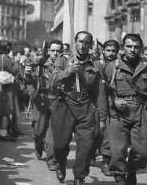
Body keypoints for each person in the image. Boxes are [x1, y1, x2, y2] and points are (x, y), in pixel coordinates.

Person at [100, 34, 147, 185]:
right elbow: (103, 93)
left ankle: (131, 168)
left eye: (136, 47)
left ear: (141, 48)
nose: (132, 50)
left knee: (144, 152)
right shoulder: (111, 66)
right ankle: (119, 175)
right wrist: (112, 104)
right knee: (117, 150)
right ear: (123, 48)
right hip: (118, 113)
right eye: (129, 46)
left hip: (142, 112)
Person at [49, 31, 105, 185]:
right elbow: (51, 82)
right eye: (80, 42)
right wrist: (68, 71)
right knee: (60, 144)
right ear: (75, 42)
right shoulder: (64, 59)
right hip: (66, 105)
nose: (83, 45)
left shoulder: (96, 64)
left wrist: (102, 117)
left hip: (86, 107)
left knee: (86, 146)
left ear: (90, 45)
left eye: (87, 42)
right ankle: (61, 163)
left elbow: (100, 92)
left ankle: (79, 176)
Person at [32, 40, 62, 171]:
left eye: (58, 51)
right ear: (48, 51)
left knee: (53, 133)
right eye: (53, 50)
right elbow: (30, 80)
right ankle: (38, 144)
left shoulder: (64, 65)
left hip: (57, 101)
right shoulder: (40, 64)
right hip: (42, 100)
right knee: (38, 131)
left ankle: (51, 159)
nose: (56, 53)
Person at [98, 39, 120, 176]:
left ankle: (106, 161)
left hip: (112, 102)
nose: (111, 53)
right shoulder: (97, 64)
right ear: (103, 51)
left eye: (114, 51)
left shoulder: (118, 65)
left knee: (109, 133)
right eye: (108, 50)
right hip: (97, 102)